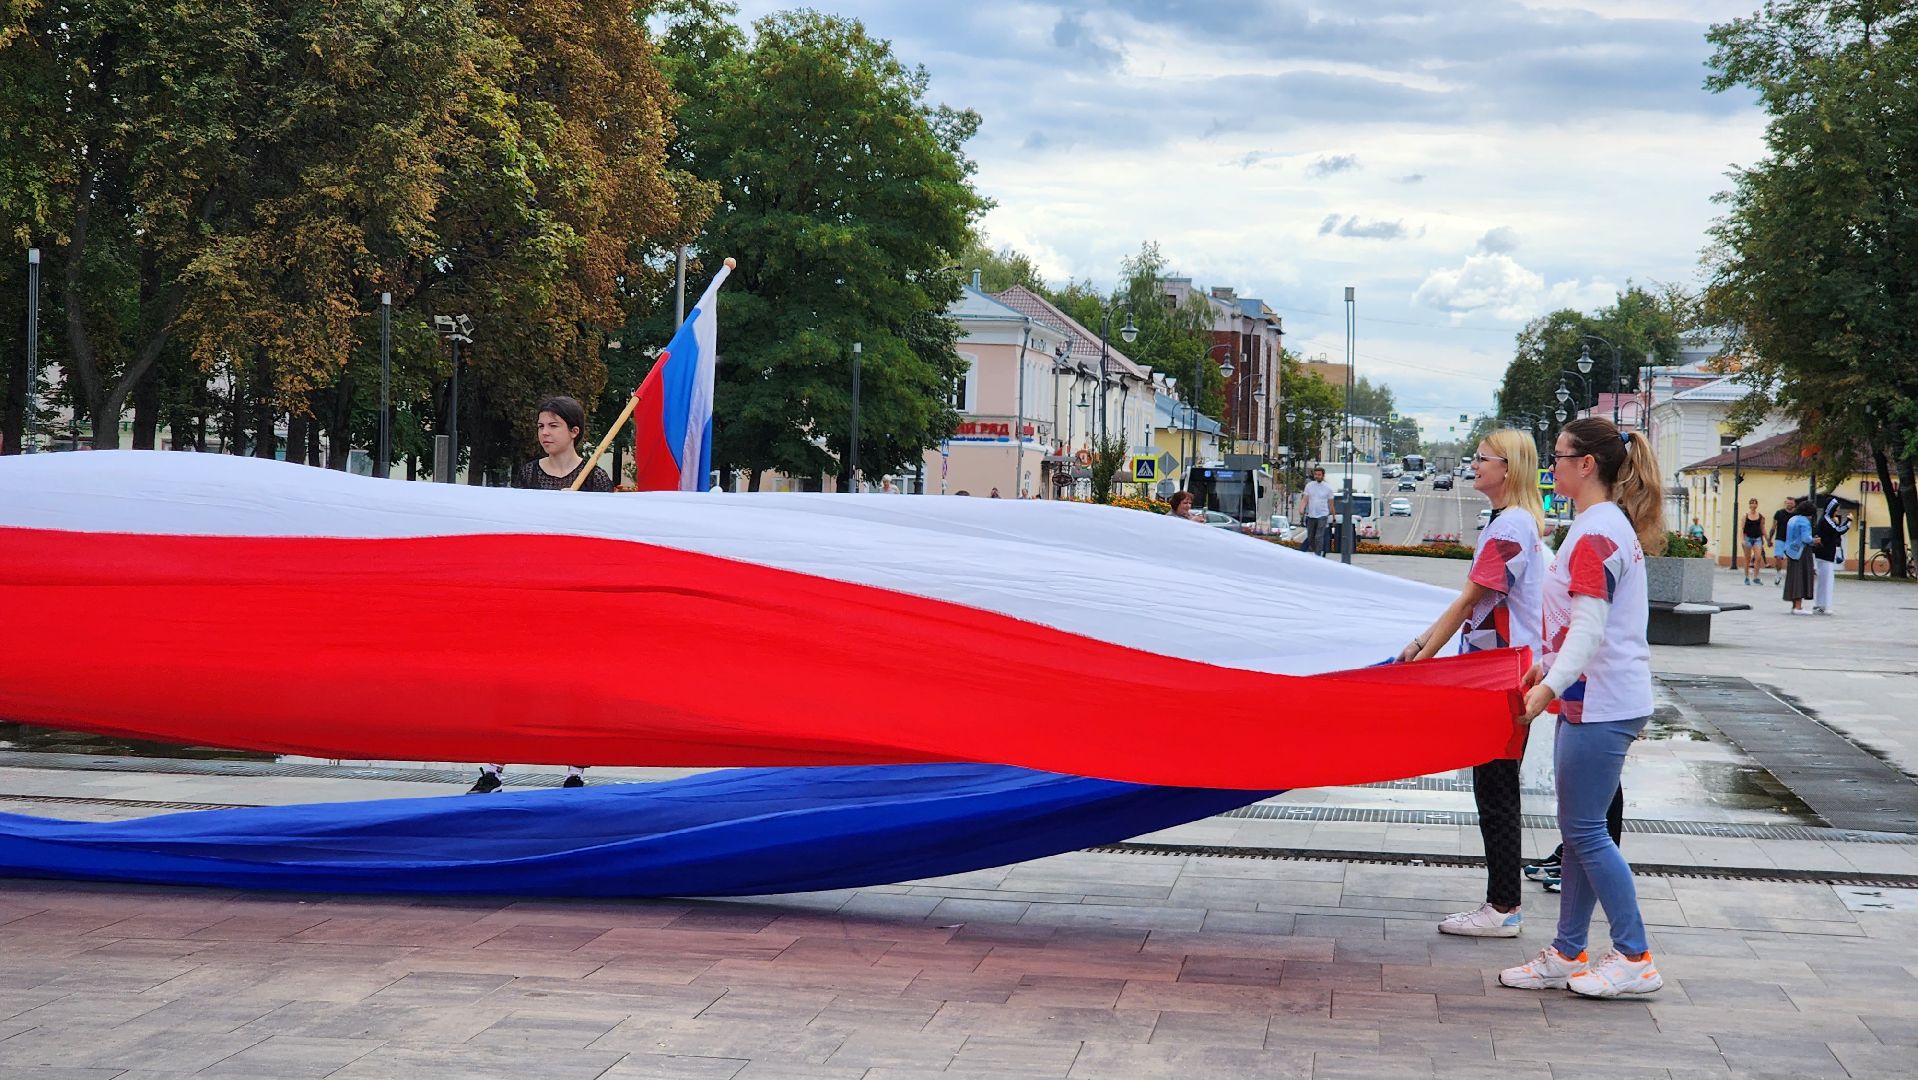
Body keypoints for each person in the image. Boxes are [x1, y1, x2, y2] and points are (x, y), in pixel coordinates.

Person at [1500, 417, 1666, 999]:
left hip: (1601, 700)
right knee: (1580, 831)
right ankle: (1569, 951)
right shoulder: (1598, 527)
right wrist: (1549, 669)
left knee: (1587, 833)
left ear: (1586, 464)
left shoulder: (1596, 533)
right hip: (1590, 697)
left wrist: (1546, 684)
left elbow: (1591, 629)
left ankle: (1635, 955)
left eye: (1560, 455)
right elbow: (1584, 626)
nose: (1553, 465)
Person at [1398, 430, 1545, 939]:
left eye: (1482, 459)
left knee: (1497, 790)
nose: (1474, 464)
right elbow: (1477, 606)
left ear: (1508, 468)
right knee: (1494, 787)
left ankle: (1503, 907)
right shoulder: (1509, 524)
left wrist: (1422, 656)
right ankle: (1501, 903)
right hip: (1498, 672)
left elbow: (1469, 601)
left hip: (1501, 677)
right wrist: (1424, 646)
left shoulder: (1511, 529)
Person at [468, 396, 611, 795]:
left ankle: (574, 771)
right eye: (540, 427)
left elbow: (603, 543)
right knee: (516, 680)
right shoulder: (529, 473)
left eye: (552, 426)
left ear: (574, 432)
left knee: (574, 683)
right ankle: (494, 769)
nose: (544, 433)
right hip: (534, 592)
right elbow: (518, 531)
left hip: (576, 596)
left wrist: (574, 517)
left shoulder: (595, 479)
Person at [1812, 497, 1850, 615]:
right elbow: (1838, 531)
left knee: (1823, 580)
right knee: (1828, 580)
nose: (1837, 511)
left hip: (1823, 554)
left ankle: (1820, 604)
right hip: (1825, 554)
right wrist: (1848, 521)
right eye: (1836, 509)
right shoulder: (1827, 519)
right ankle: (1826, 605)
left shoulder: (1826, 519)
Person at [1781, 499, 1815, 615]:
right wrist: (1814, 540)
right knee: (1801, 577)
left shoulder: (1792, 519)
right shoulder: (1805, 522)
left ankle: (1793, 605)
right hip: (1802, 552)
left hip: (1790, 551)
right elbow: (1806, 538)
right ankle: (1798, 607)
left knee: (1793, 577)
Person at [1298, 467, 1334, 556]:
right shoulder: (1309, 486)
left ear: (1323, 476)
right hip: (1311, 514)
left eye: (1319, 475)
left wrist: (1333, 516)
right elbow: (1305, 499)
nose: (1317, 476)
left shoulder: (1328, 488)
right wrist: (1301, 508)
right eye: (1316, 475)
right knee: (1310, 537)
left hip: (1323, 514)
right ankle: (1315, 550)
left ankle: (1318, 554)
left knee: (1319, 536)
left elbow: (1331, 503)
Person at [1741, 498, 1767, 585]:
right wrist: (1742, 540)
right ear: (1749, 505)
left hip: (1757, 538)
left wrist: (1767, 539)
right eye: (1752, 503)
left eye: (1755, 503)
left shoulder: (1760, 516)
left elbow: (1763, 528)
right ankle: (1746, 577)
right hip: (1747, 538)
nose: (1753, 505)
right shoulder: (1745, 516)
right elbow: (1741, 528)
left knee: (1758, 557)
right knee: (1747, 558)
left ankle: (1756, 577)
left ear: (1757, 505)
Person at [1770, 496, 1795, 586]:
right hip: (1780, 538)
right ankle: (1778, 574)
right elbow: (1773, 527)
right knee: (1778, 557)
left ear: (1794, 504)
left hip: (1792, 540)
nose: (1789, 505)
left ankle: (1790, 576)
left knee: (1791, 559)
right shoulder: (1779, 513)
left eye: (1791, 503)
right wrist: (1769, 539)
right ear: (1785, 503)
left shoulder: (1796, 514)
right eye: (1788, 503)